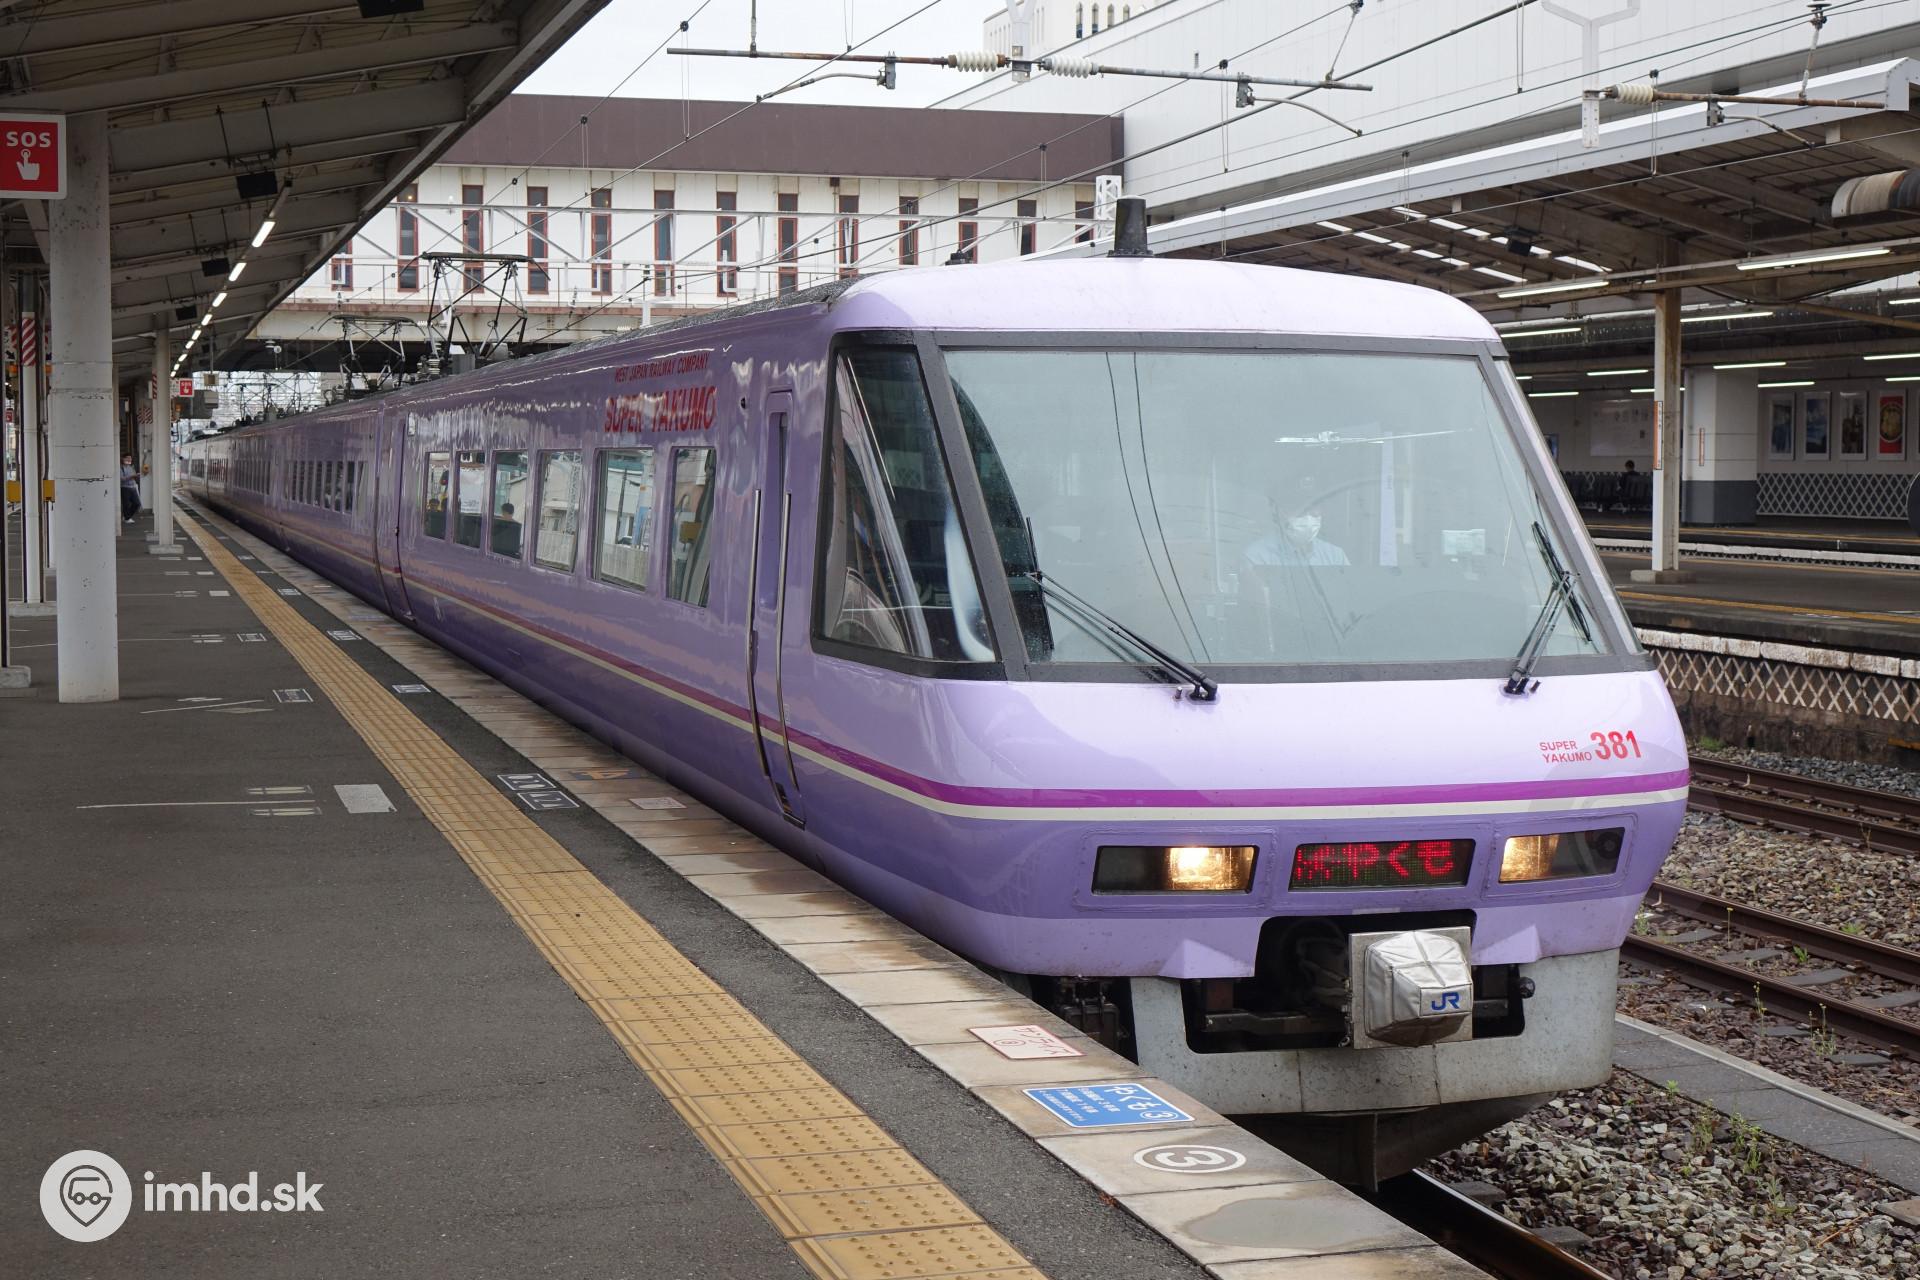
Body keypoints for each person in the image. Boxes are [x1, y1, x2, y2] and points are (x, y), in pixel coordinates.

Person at [1243, 473, 1349, 568]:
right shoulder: (1257, 557)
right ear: (1279, 511)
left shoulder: (1335, 557)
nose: (1307, 514)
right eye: (1299, 505)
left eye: (1314, 505)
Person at [119, 454, 142, 524]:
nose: (129, 460)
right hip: (125, 487)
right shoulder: (120, 468)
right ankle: (127, 518)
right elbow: (122, 479)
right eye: (128, 458)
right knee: (126, 504)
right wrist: (132, 476)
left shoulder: (131, 467)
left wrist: (136, 476)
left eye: (130, 458)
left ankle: (127, 516)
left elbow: (134, 476)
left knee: (137, 503)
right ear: (123, 459)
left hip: (133, 487)